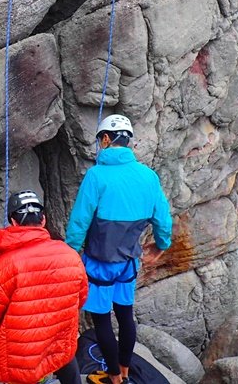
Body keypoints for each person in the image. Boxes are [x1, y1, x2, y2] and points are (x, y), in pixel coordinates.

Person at [65, 114, 173, 384]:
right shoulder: (148, 177)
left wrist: (70, 251)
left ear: (105, 139)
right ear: (129, 142)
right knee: (125, 316)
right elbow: (163, 219)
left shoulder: (96, 176)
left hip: (99, 263)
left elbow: (80, 221)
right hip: (128, 263)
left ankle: (113, 377)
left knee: (102, 321)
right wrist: (162, 244)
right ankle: (124, 370)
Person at [0, 190, 88, 384]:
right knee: (64, 360)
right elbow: (81, 298)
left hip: (21, 353)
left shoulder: (4, 265)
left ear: (13, 221)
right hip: (58, 340)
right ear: (43, 220)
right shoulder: (70, 255)